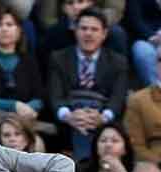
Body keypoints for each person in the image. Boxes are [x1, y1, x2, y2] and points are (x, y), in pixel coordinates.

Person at [48, 7, 128, 161]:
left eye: (94, 29)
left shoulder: (118, 61)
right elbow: (55, 95)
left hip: (101, 114)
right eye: (83, 28)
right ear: (75, 30)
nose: (88, 34)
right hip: (70, 116)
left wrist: (103, 117)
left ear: (104, 34)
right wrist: (68, 116)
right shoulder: (58, 58)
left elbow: (117, 98)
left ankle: (84, 166)